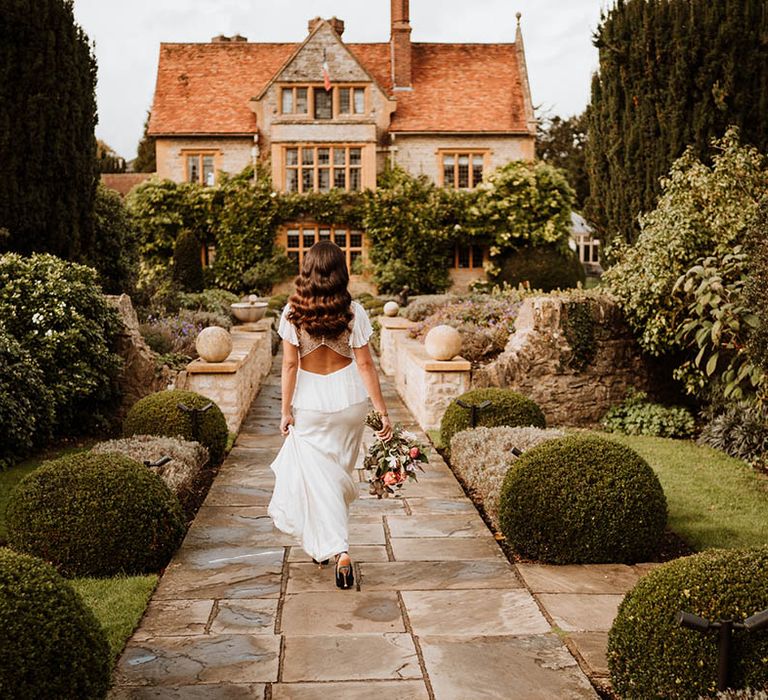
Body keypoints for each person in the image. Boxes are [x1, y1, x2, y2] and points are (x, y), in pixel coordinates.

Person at [267, 241, 392, 589]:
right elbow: (365, 364)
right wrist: (382, 411)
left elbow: (290, 365)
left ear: (308, 269)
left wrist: (285, 410)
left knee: (319, 478)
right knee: (334, 476)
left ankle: (337, 548)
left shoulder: (292, 311)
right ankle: (330, 545)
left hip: (310, 404)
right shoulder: (353, 311)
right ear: (341, 271)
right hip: (349, 402)